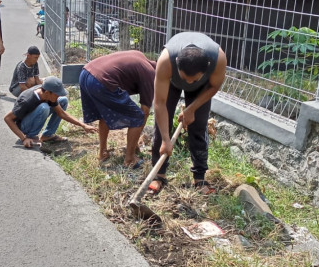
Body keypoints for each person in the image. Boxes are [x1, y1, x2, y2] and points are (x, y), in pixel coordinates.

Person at [150, 31, 227, 195]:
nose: (189, 83)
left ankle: (199, 178)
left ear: (207, 67)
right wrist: (166, 139)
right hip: (172, 82)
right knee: (162, 126)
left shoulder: (218, 59)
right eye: (185, 78)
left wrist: (191, 109)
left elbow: (214, 86)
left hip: (202, 88)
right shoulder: (166, 61)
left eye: (194, 80)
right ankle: (159, 175)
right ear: (177, 63)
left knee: (198, 126)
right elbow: (160, 103)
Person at [79, 50, 156, 168]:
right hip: (101, 81)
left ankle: (102, 153)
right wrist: (134, 143)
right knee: (138, 116)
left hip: (86, 73)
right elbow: (145, 111)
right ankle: (130, 159)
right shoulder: (150, 74)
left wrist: (134, 144)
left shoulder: (139, 56)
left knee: (105, 112)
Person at [4, 76, 96, 147]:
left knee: (63, 101)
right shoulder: (27, 100)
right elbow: (8, 118)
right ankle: (31, 136)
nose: (58, 96)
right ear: (48, 93)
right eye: (57, 95)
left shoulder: (47, 94)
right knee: (44, 107)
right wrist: (23, 138)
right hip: (23, 127)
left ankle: (47, 135)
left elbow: (61, 113)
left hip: (33, 117)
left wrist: (83, 125)